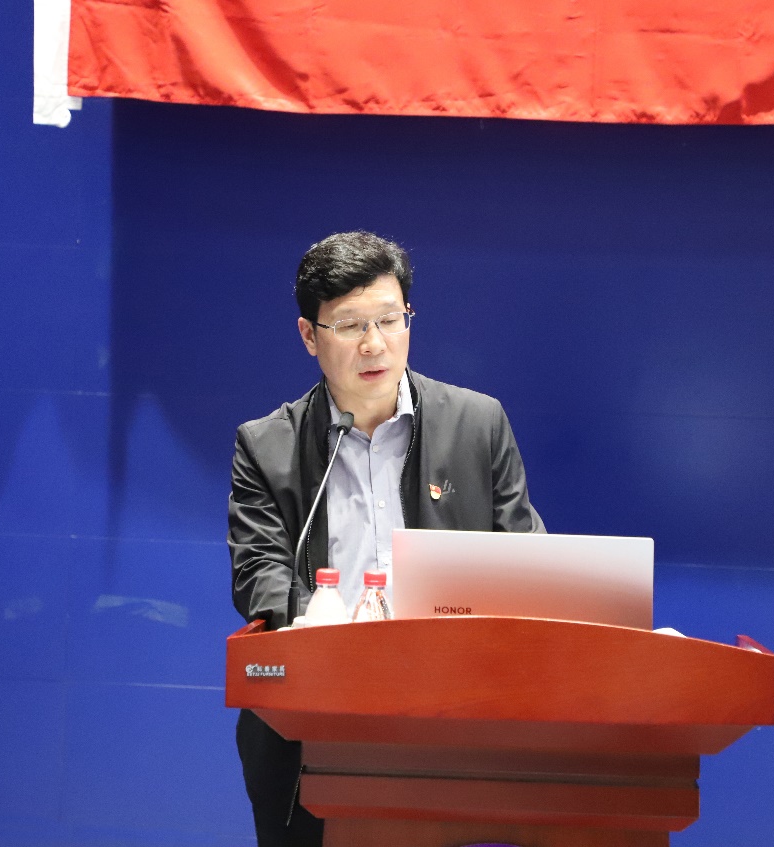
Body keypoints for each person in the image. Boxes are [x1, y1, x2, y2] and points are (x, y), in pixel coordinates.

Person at [228, 231, 544, 847]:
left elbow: (526, 560)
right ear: (309, 335)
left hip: (451, 719)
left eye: (390, 320)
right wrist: (321, 630)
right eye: (349, 325)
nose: (374, 343)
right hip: (311, 725)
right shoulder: (267, 446)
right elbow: (260, 572)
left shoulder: (477, 424)